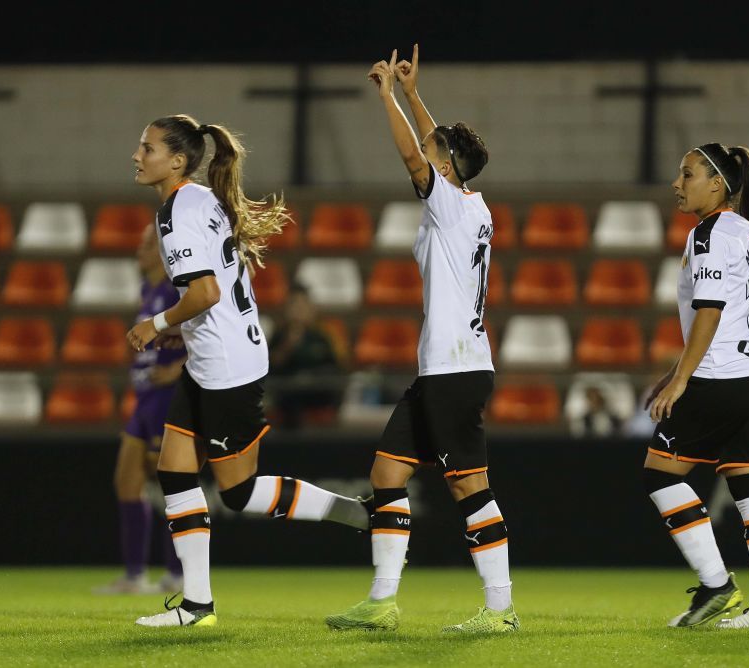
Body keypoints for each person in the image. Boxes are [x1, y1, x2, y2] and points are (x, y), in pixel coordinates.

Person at [127, 114, 369, 627]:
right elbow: (214, 292)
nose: (137, 155)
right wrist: (183, 330)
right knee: (173, 470)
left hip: (226, 370)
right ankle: (196, 605)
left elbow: (205, 292)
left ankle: (349, 510)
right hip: (217, 357)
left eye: (147, 148)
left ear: (176, 161)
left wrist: (158, 323)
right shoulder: (201, 199)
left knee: (237, 492)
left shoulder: (176, 212)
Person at [325, 46, 518, 634]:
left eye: (438, 152)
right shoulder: (465, 205)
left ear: (448, 166)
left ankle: (500, 609)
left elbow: (414, 153)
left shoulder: (449, 205)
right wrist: (412, 93)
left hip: (454, 368)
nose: (427, 150)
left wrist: (385, 95)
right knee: (387, 472)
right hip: (444, 368)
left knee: (469, 487)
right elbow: (433, 144)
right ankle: (382, 601)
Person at [643, 143, 749, 630]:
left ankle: (716, 584)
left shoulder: (708, 234)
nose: (677, 184)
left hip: (723, 377)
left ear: (716, 184)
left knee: (661, 474)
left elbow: (710, 310)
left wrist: (681, 379)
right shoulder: (745, 230)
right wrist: (675, 372)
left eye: (687, 174)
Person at [96, 224, 185, 595]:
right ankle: (135, 576)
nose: (140, 249)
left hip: (167, 401)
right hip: (145, 398)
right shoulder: (148, 290)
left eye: (148, 243)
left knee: (170, 486)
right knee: (126, 481)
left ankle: (177, 574)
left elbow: (204, 335)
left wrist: (179, 367)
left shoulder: (174, 292)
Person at [266, 283, 342, 429]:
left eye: (303, 305)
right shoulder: (279, 335)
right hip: (288, 397)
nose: (299, 310)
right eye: (295, 305)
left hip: (317, 392)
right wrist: (288, 345)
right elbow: (270, 368)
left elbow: (337, 368)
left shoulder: (324, 335)